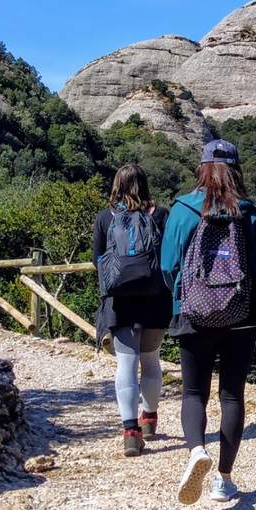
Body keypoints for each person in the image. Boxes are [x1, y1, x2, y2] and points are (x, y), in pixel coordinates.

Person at [161, 138, 256, 504]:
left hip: (193, 315)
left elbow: (168, 267)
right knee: (232, 395)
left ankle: (197, 451)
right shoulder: (250, 213)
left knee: (193, 392)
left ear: (202, 168)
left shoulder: (183, 210)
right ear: (236, 170)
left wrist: (185, 297)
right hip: (241, 318)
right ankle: (224, 480)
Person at [93, 164, 172, 458]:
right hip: (155, 300)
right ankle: (149, 420)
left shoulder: (105, 217)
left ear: (116, 185)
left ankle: (130, 433)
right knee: (151, 361)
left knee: (125, 364)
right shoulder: (161, 215)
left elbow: (96, 260)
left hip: (119, 303)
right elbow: (169, 258)